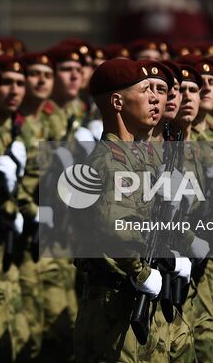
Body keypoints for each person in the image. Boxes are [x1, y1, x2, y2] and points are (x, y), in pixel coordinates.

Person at [72, 58, 191, 363]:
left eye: (158, 91)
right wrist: (141, 270)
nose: (156, 98)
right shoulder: (110, 161)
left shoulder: (135, 159)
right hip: (114, 310)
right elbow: (118, 229)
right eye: (144, 90)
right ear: (117, 102)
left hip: (134, 300)